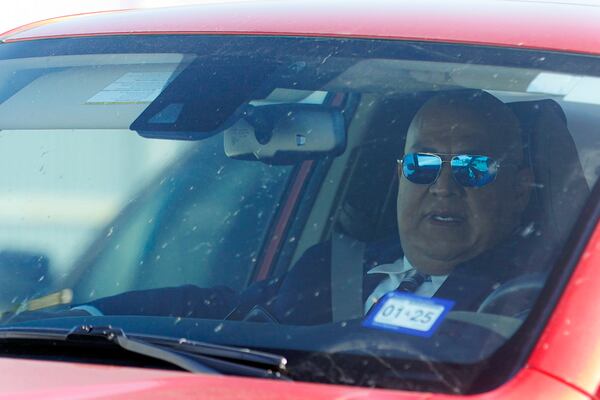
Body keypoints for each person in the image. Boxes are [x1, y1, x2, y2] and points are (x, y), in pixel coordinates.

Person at [66, 90, 534, 324]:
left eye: (475, 166)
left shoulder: (529, 303)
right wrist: (86, 319)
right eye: (423, 164)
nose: (443, 185)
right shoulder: (330, 267)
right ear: (400, 176)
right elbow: (218, 310)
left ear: (519, 188)